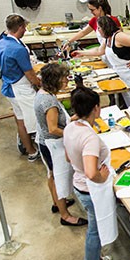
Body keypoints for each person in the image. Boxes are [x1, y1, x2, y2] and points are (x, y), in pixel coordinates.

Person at [64, 85, 118, 260]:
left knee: (95, 227)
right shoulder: (89, 138)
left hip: (78, 185)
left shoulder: (70, 127)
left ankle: (95, 258)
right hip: (90, 189)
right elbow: (90, 172)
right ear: (96, 108)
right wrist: (101, 176)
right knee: (94, 230)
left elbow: (69, 158)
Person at [34, 63, 85, 226]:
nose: (66, 82)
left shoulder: (43, 93)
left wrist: (72, 120)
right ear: (54, 80)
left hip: (44, 142)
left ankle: (57, 203)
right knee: (59, 179)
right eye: (64, 79)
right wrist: (72, 133)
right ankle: (65, 215)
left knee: (51, 174)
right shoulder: (49, 102)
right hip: (52, 145)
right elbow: (53, 128)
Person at [0, 14, 40, 162]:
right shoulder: (18, 49)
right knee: (36, 119)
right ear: (20, 28)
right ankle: (41, 148)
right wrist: (40, 84)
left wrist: (5, 70)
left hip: (9, 86)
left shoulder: (2, 42)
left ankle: (31, 151)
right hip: (21, 89)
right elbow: (30, 74)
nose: (25, 30)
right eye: (24, 27)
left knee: (20, 120)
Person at [73, 16, 130, 107]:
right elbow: (99, 51)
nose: (98, 30)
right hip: (124, 75)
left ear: (105, 27)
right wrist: (81, 53)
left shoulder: (118, 36)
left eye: (99, 28)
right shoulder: (108, 38)